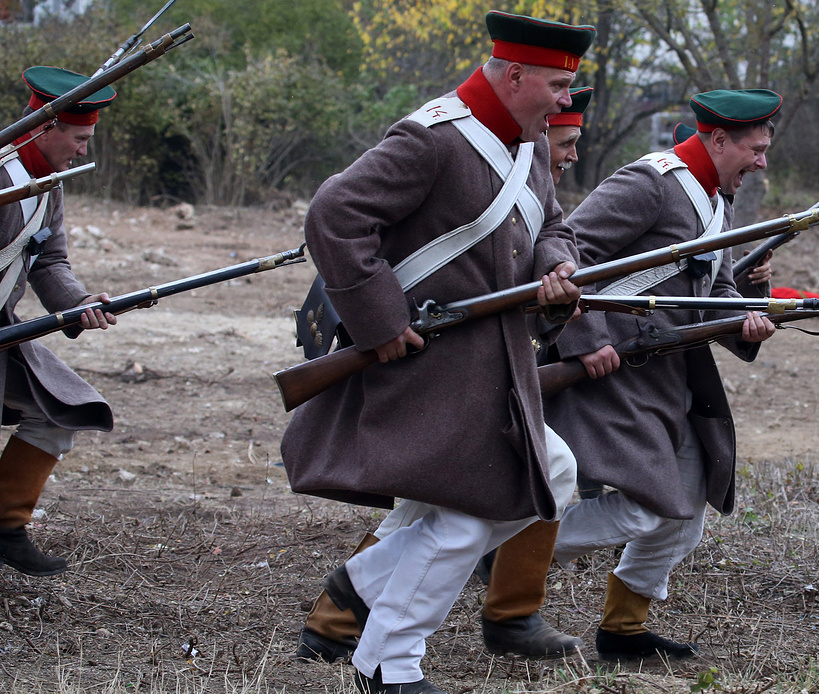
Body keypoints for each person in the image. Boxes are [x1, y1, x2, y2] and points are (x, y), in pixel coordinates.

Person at [281, 11, 594, 693]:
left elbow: (554, 227)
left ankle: (364, 580)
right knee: (467, 516)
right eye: (557, 85)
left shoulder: (528, 144)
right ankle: (389, 666)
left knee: (556, 472)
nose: (566, 101)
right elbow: (334, 216)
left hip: (495, 366)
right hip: (428, 367)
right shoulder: (433, 138)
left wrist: (557, 267)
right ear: (514, 76)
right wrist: (380, 320)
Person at [544, 89, 781, 662]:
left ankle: (624, 630)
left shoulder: (715, 201)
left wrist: (748, 304)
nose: (762, 161)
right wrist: (587, 341)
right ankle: (509, 549)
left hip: (669, 373)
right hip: (616, 369)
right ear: (719, 139)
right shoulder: (651, 181)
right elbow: (565, 257)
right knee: (650, 504)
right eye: (755, 148)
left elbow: (713, 290)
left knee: (688, 509)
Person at [0, 66, 118, 577]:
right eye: (79, 138)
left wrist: (80, 302)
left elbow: (48, 261)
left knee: (60, 412)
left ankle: (5, 525)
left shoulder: (50, 184)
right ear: (46, 128)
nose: (84, 150)